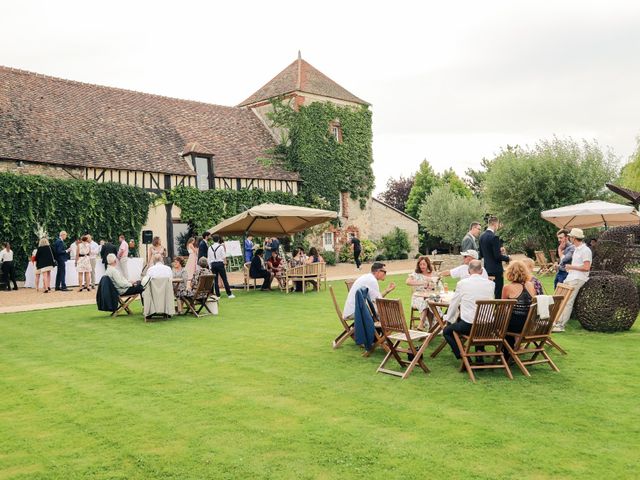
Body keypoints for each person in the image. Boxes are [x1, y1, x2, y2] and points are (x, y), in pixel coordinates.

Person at [442, 260, 495, 360]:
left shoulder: (462, 284)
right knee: (480, 321)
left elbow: (454, 303)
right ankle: (479, 354)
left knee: (447, 331)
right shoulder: (491, 284)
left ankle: (462, 355)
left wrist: (448, 319)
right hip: (488, 327)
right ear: (481, 271)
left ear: (468, 270)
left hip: (469, 327)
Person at [553, 228, 592, 332]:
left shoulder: (585, 250)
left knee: (568, 302)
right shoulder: (576, 249)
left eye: (570, 236)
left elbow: (586, 267)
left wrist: (571, 267)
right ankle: (555, 322)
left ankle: (561, 326)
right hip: (571, 277)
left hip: (578, 278)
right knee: (561, 299)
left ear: (574, 238)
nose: (569, 238)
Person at [502, 261, 536, 359]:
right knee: (509, 322)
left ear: (510, 272)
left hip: (516, 325)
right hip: (530, 323)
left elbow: (502, 308)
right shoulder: (531, 285)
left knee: (503, 324)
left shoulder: (507, 287)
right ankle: (514, 348)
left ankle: (507, 353)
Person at [479, 217, 510, 298]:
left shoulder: (482, 236)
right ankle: (497, 310)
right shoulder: (494, 237)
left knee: (487, 292)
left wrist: (499, 251)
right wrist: (508, 258)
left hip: (487, 269)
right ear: (494, 224)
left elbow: (482, 254)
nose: (498, 227)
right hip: (496, 270)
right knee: (498, 292)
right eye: (498, 224)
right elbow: (497, 256)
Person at [405, 256, 436, 328]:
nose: (422, 266)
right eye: (420, 264)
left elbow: (438, 286)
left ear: (428, 264)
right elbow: (407, 282)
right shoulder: (415, 274)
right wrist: (421, 283)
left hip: (430, 296)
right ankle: (422, 324)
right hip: (417, 297)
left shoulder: (432, 274)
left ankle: (431, 327)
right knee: (426, 301)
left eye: (424, 264)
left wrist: (432, 287)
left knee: (430, 302)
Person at [207, 234, 235, 298]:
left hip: (213, 264)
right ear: (219, 240)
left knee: (215, 280)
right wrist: (225, 263)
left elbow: (209, 258)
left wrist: (210, 267)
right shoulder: (221, 247)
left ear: (212, 240)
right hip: (220, 263)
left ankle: (218, 295)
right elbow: (224, 256)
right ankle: (229, 294)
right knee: (224, 279)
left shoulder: (209, 248)